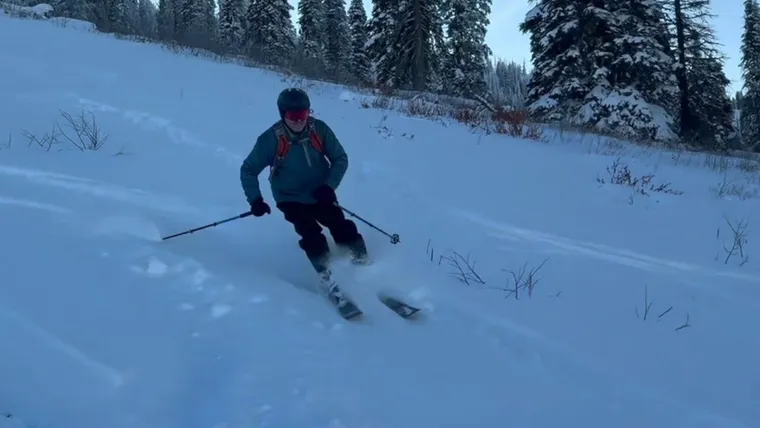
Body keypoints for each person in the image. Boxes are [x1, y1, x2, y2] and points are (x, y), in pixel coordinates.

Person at [240, 88, 368, 275]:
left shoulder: (319, 130)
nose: (300, 120)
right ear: (283, 113)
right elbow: (248, 170)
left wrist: (329, 186)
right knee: (310, 232)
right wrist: (256, 201)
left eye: (303, 114)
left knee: (341, 226)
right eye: (293, 115)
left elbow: (340, 158)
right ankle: (329, 275)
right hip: (289, 196)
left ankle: (363, 266)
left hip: (320, 193)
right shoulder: (270, 139)